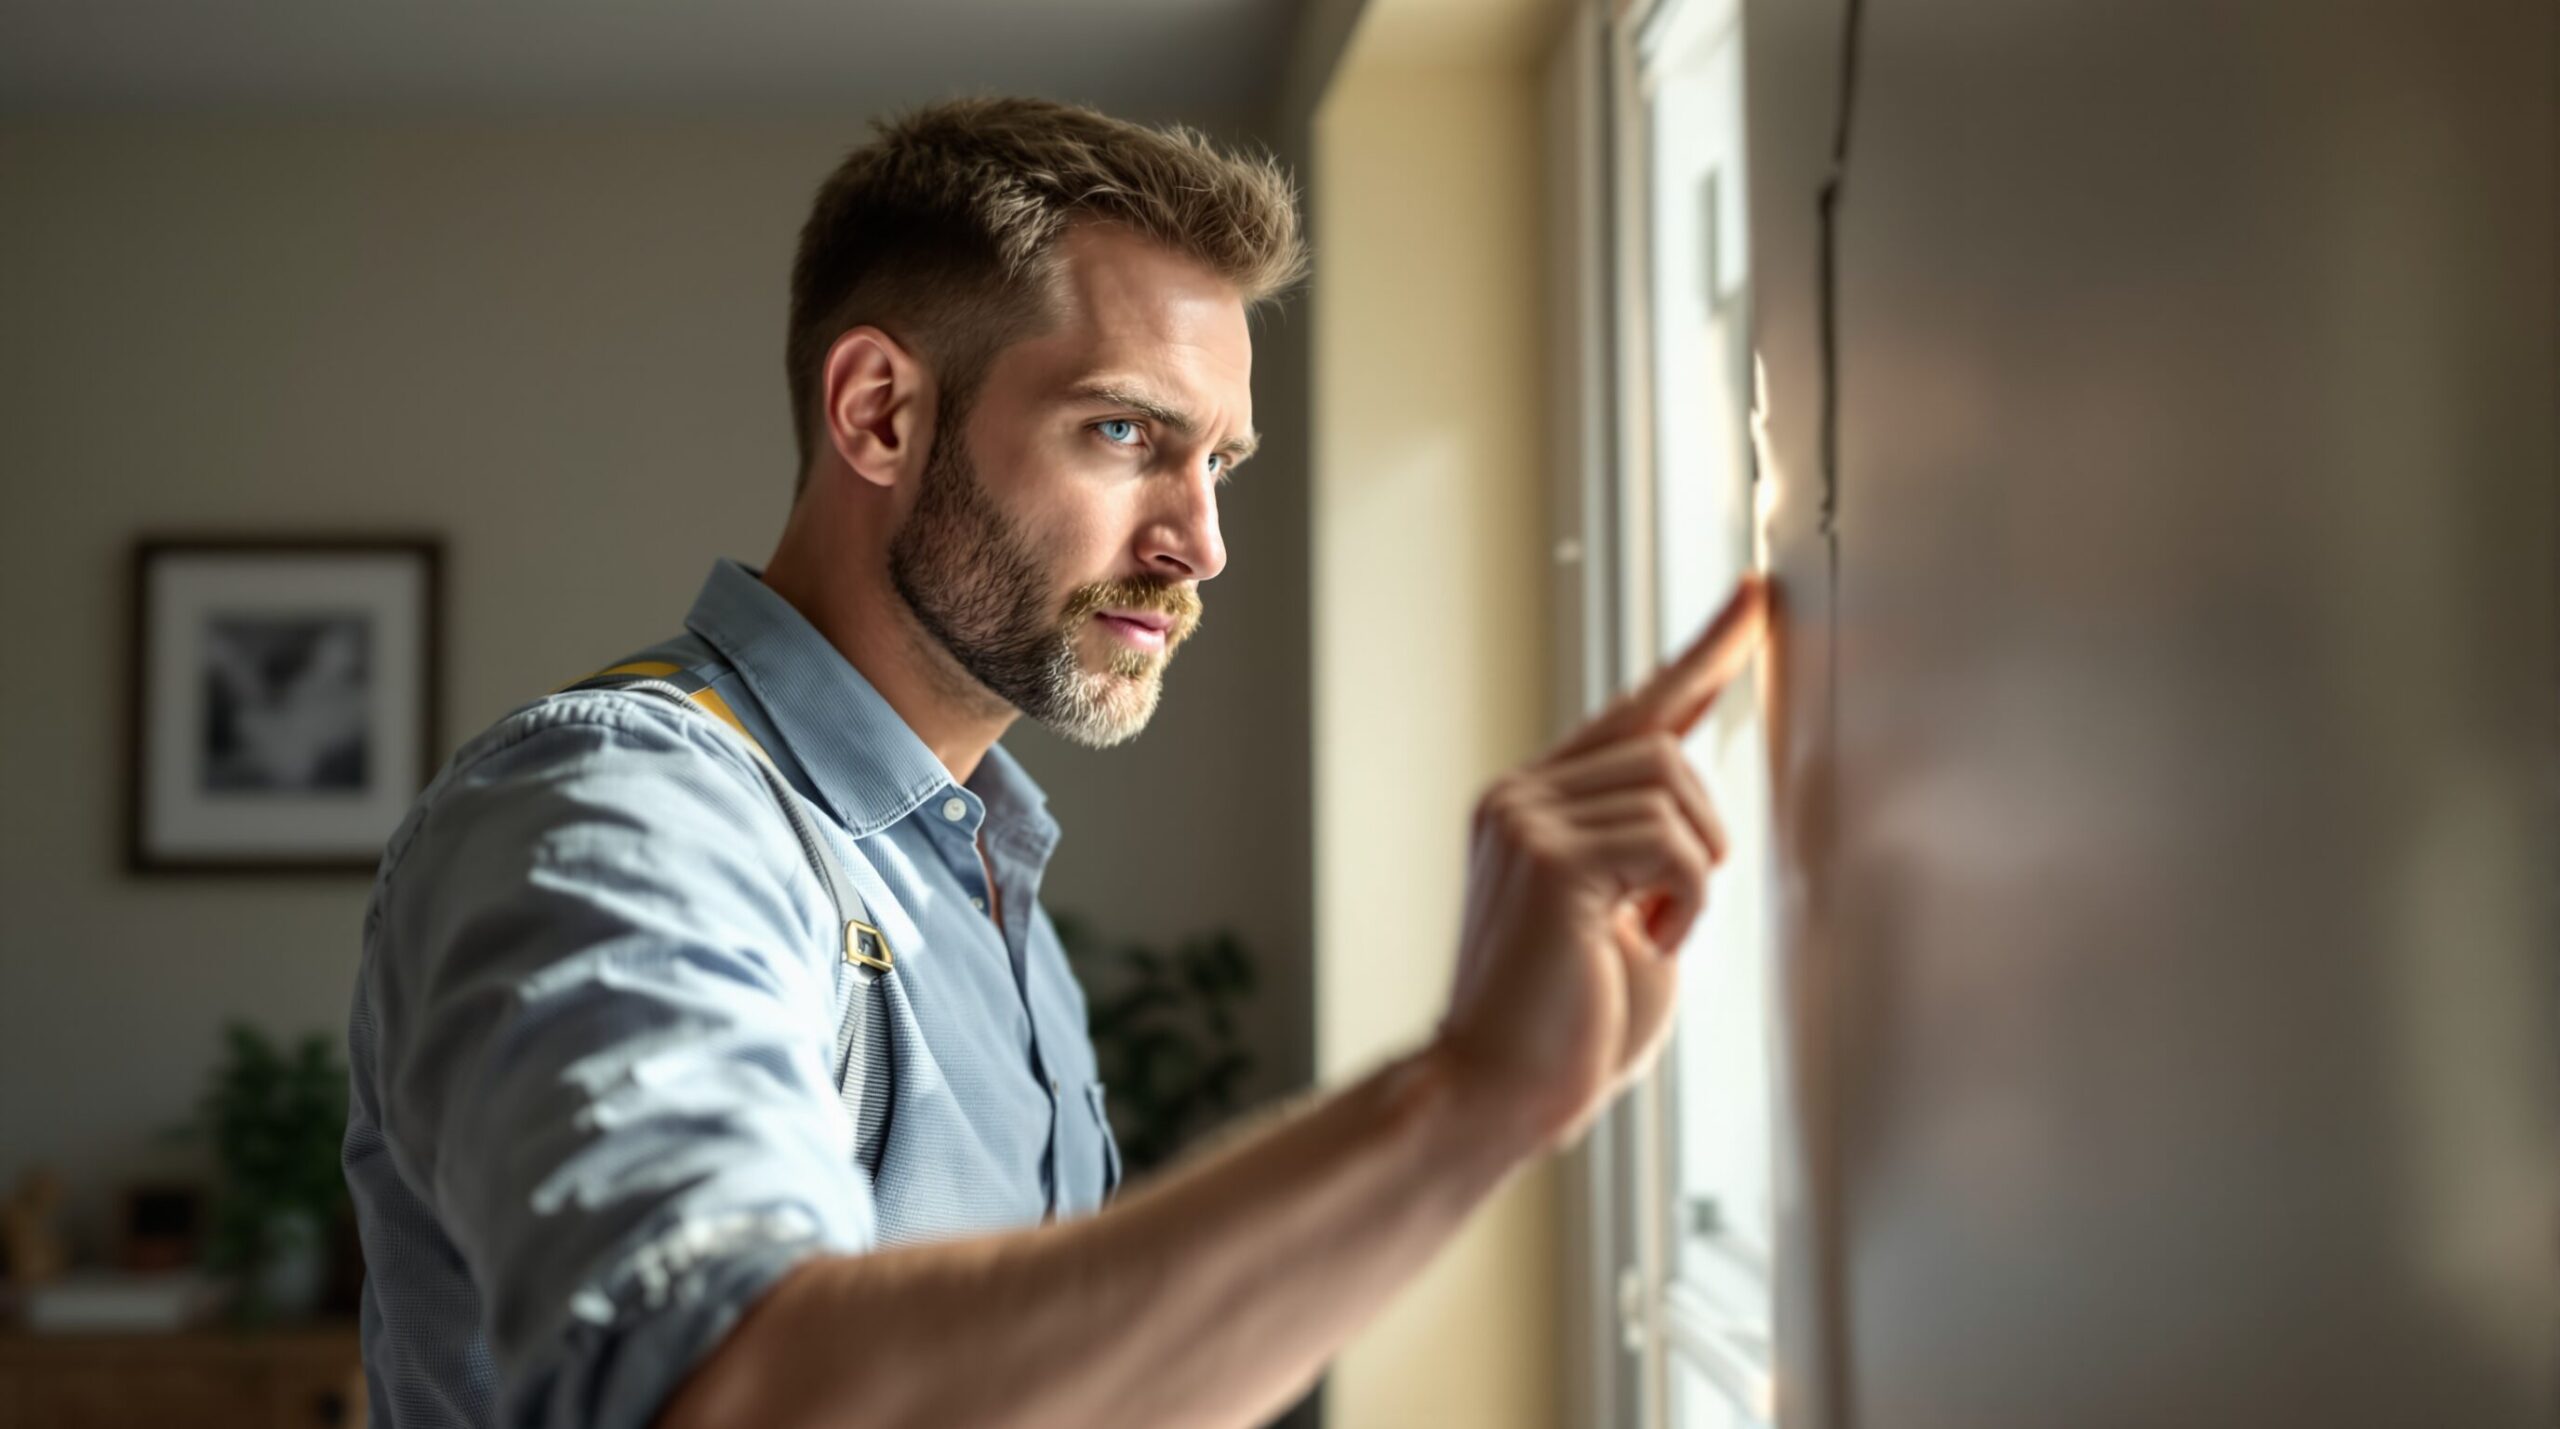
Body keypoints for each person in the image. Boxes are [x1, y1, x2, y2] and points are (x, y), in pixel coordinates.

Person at [343, 95, 1767, 1429]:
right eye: (1125, 433)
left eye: (1221, 463)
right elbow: (731, 1386)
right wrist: (1466, 1099)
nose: (1200, 544)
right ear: (880, 414)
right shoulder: (623, 813)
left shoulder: (977, 873)